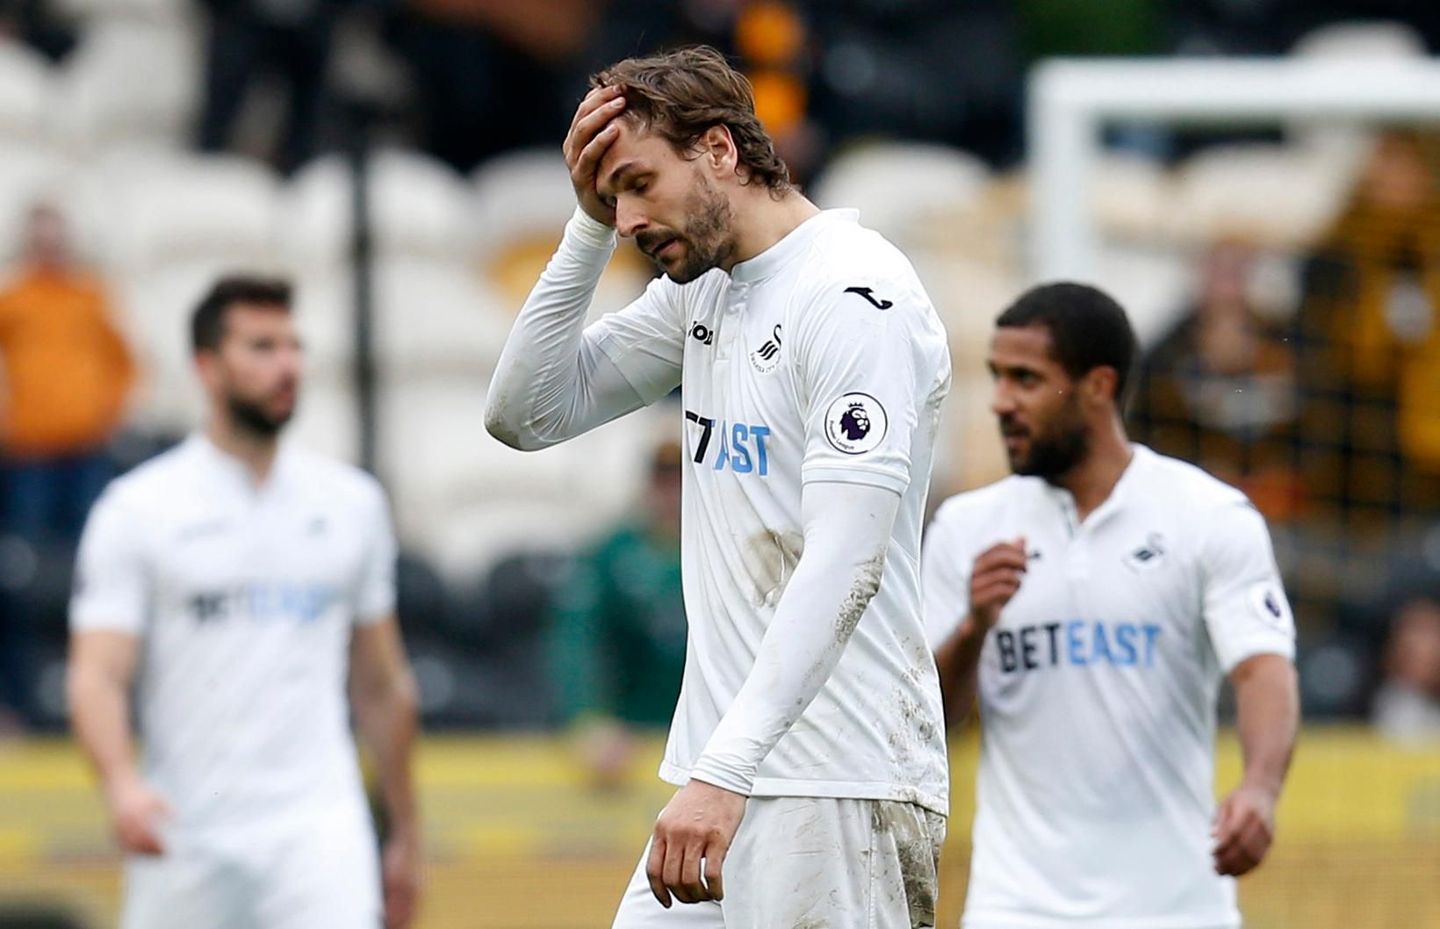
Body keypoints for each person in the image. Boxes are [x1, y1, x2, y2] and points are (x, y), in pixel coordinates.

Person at [485, 45, 952, 928]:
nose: (628, 219)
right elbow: (525, 413)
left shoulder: (853, 294)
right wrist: (585, 226)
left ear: (720, 150)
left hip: (834, 781)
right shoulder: (705, 290)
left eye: (637, 184)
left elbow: (843, 562)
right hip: (724, 777)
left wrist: (725, 771)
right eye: (610, 196)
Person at [923, 283, 1300, 929]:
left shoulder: (1206, 515)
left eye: (1025, 379)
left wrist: (1260, 789)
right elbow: (935, 719)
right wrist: (974, 627)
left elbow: (1262, 666)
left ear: (1098, 386)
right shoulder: (967, 527)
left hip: (1177, 910)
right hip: (1017, 908)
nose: (1001, 401)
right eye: (997, 376)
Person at [65, 275, 422, 929]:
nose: (287, 365)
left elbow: (382, 684)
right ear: (206, 366)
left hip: (318, 834)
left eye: (293, 346)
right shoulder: (137, 510)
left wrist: (403, 832)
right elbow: (98, 674)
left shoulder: (351, 504)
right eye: (261, 347)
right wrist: (120, 785)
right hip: (184, 834)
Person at [548, 438, 687, 787]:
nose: (672, 493)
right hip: (633, 733)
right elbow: (577, 639)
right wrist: (589, 718)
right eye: (663, 481)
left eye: (680, 481)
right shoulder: (612, 554)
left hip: (710, 730)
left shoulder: (728, 549)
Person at [0, 202, 135, 546]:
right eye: (41, 243)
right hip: (29, 448)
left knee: (91, 541)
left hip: (85, 445)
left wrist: (108, 410)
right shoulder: (13, 299)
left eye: (55, 242)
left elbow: (123, 361)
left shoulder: (90, 297)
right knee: (29, 545)